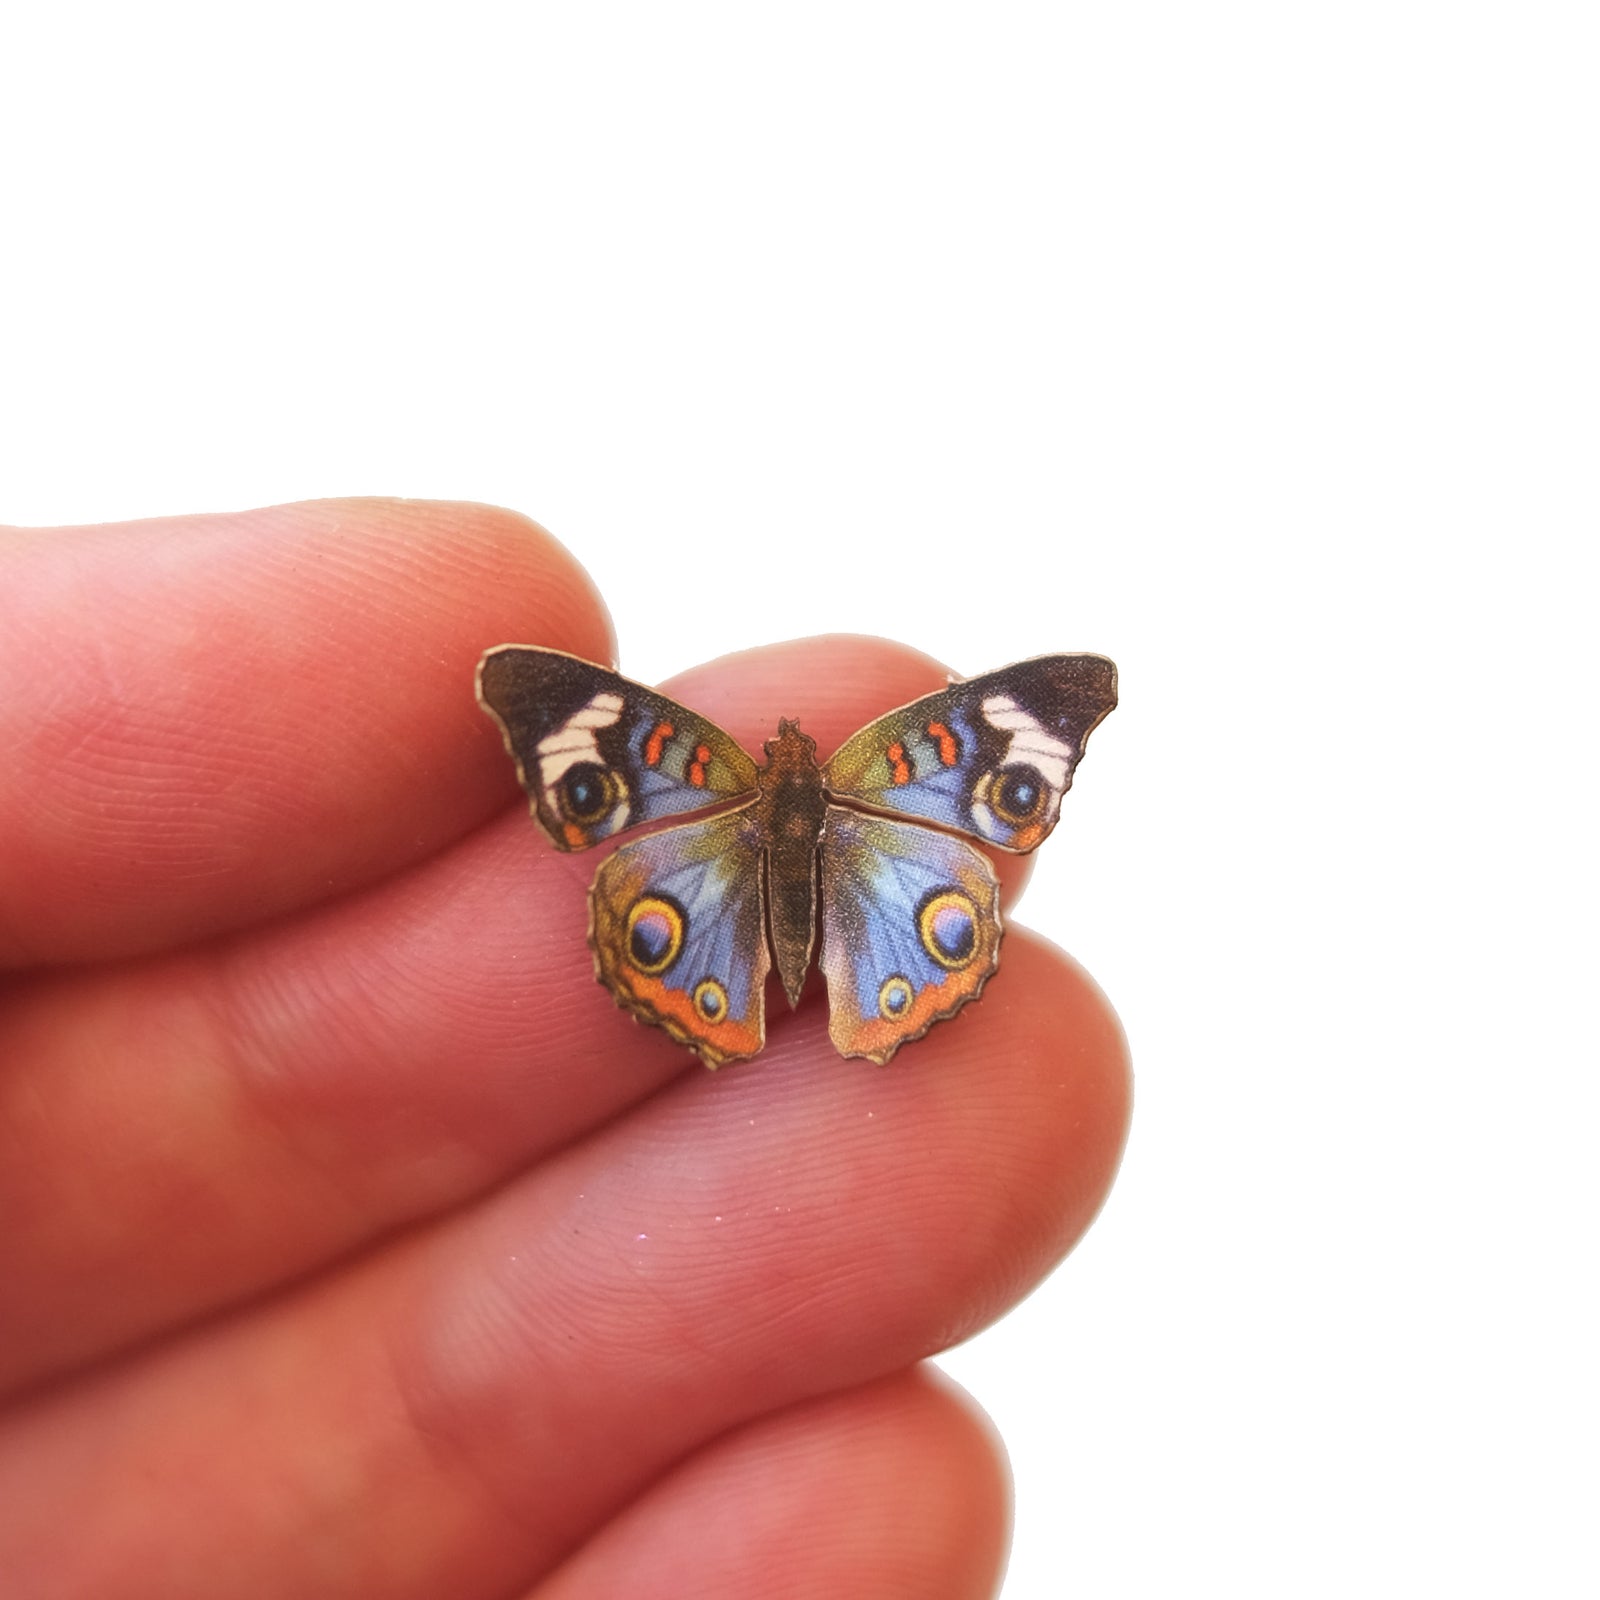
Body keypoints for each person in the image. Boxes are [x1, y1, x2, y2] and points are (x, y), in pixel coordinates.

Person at [0, 499, 1128, 1598]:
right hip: (863, 881)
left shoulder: (692, 764)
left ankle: (776, 993)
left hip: (705, 880)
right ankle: (851, 989)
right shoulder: (893, 763)